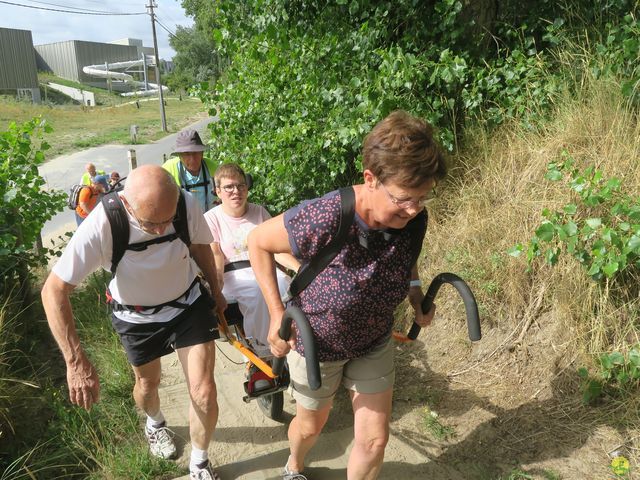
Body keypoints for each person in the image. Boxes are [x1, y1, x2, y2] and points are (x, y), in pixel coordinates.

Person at [247, 110, 446, 480]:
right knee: (309, 428)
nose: (415, 208)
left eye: (422, 197)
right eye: (404, 198)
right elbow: (257, 242)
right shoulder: (328, 214)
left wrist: (416, 295)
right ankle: (294, 464)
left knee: (374, 441)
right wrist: (276, 315)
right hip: (317, 345)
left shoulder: (414, 217)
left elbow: (406, 258)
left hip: (374, 340)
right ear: (370, 179)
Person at [42, 165, 227, 480]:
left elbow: (198, 246)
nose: (160, 230)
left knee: (204, 390)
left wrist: (217, 292)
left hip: (187, 305)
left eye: (167, 221)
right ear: (127, 204)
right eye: (150, 223)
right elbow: (53, 291)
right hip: (136, 316)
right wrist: (75, 362)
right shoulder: (103, 223)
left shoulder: (183, 203)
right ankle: (154, 422)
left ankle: (199, 462)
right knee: (147, 384)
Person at [204, 163, 299, 348]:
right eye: (228, 187)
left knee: (285, 286)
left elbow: (277, 250)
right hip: (233, 273)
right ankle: (263, 346)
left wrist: (299, 268)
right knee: (256, 291)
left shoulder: (259, 212)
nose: (235, 191)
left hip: (264, 267)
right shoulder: (212, 218)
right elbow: (216, 256)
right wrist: (216, 288)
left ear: (246, 188)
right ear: (218, 191)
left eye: (240, 185)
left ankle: (291, 339)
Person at [163, 129, 218, 213]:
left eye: (195, 153)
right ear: (179, 156)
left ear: (202, 153)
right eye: (187, 154)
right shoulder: (167, 170)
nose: (192, 159)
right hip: (181, 223)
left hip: (210, 222)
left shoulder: (214, 168)